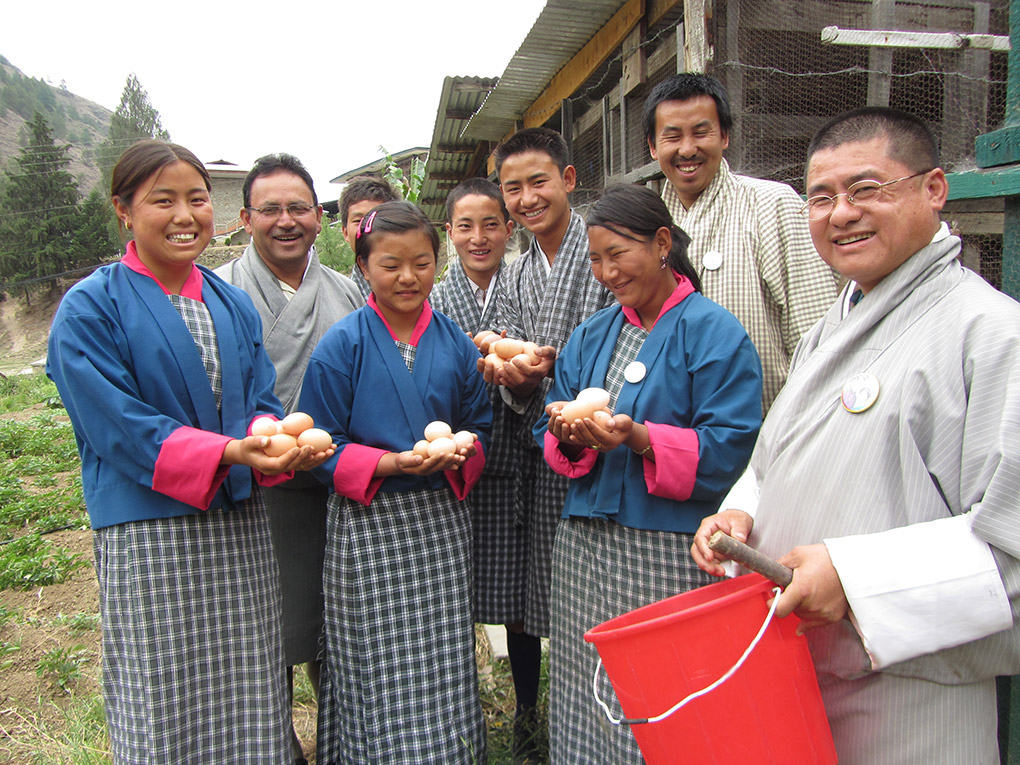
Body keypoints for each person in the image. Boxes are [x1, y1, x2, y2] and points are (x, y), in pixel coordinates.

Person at [691, 107, 1020, 764]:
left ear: (933, 190)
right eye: (821, 197)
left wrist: (853, 578)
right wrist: (743, 510)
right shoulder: (832, 324)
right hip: (798, 674)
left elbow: (1010, 555)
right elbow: (776, 458)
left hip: (912, 696)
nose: (841, 213)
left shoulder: (991, 334)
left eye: (866, 190)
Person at [46, 139, 332, 763]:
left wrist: (267, 434)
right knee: (166, 681)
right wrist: (231, 452)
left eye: (197, 199)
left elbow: (257, 395)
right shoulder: (92, 306)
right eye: (163, 200)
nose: (185, 215)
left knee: (249, 675)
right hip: (151, 528)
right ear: (123, 210)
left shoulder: (227, 301)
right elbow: (116, 425)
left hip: (239, 525)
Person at [534, 184, 762, 762]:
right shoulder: (591, 334)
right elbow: (552, 420)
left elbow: (731, 446)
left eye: (619, 254)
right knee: (589, 686)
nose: (606, 271)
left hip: (669, 553)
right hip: (585, 549)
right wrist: (567, 434)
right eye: (595, 258)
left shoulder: (714, 333)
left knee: (667, 693)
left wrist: (638, 437)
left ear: (663, 244)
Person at [298, 200, 492, 763]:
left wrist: (460, 452)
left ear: (438, 262)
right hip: (367, 526)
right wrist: (386, 464)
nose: (409, 277)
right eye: (391, 265)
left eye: (423, 262)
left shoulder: (455, 342)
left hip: (440, 523)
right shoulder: (342, 345)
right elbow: (317, 445)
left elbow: (479, 425)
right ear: (363, 267)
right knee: (370, 652)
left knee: (440, 648)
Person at [215, 152, 363, 763]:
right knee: (264, 627)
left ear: (319, 217)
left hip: (337, 485)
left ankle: (345, 740)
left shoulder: (348, 290)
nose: (285, 220)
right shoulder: (220, 291)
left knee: (342, 628)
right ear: (246, 218)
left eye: (298, 207)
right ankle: (274, 746)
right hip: (257, 490)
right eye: (270, 209)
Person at [485, 126, 615, 758]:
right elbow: (506, 342)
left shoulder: (602, 246)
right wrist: (514, 374)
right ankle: (537, 716)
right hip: (542, 444)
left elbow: (633, 324)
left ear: (568, 179)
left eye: (539, 182)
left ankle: (608, 715)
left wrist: (558, 367)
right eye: (514, 188)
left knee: (598, 585)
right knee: (542, 588)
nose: (527, 198)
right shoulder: (516, 270)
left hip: (605, 436)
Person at [644, 73, 839, 411]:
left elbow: (818, 335)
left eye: (701, 132)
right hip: (668, 441)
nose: (687, 149)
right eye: (672, 136)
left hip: (767, 433)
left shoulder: (773, 204)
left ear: (724, 136)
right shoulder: (645, 223)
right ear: (652, 146)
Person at [337, 175, 399, 299]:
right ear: (345, 233)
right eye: (358, 220)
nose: (367, 227)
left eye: (377, 218)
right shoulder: (340, 298)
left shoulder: (420, 289)